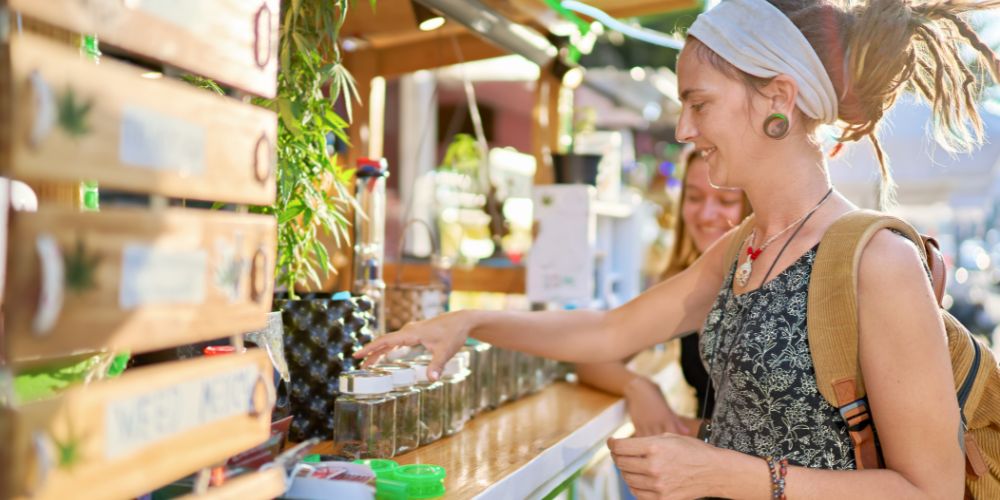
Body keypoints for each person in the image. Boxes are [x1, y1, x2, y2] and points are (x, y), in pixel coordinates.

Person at [357, 0, 998, 496]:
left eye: (699, 103)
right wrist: (471, 321)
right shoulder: (745, 246)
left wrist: (721, 472)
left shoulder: (878, 262)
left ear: (778, 99)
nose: (685, 129)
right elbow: (610, 332)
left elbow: (930, 491)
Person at [575, 145, 750, 438]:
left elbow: (782, 437)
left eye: (726, 200)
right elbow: (592, 357)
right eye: (694, 197)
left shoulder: (776, 285)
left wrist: (680, 430)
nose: (707, 214)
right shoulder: (687, 283)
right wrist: (638, 386)